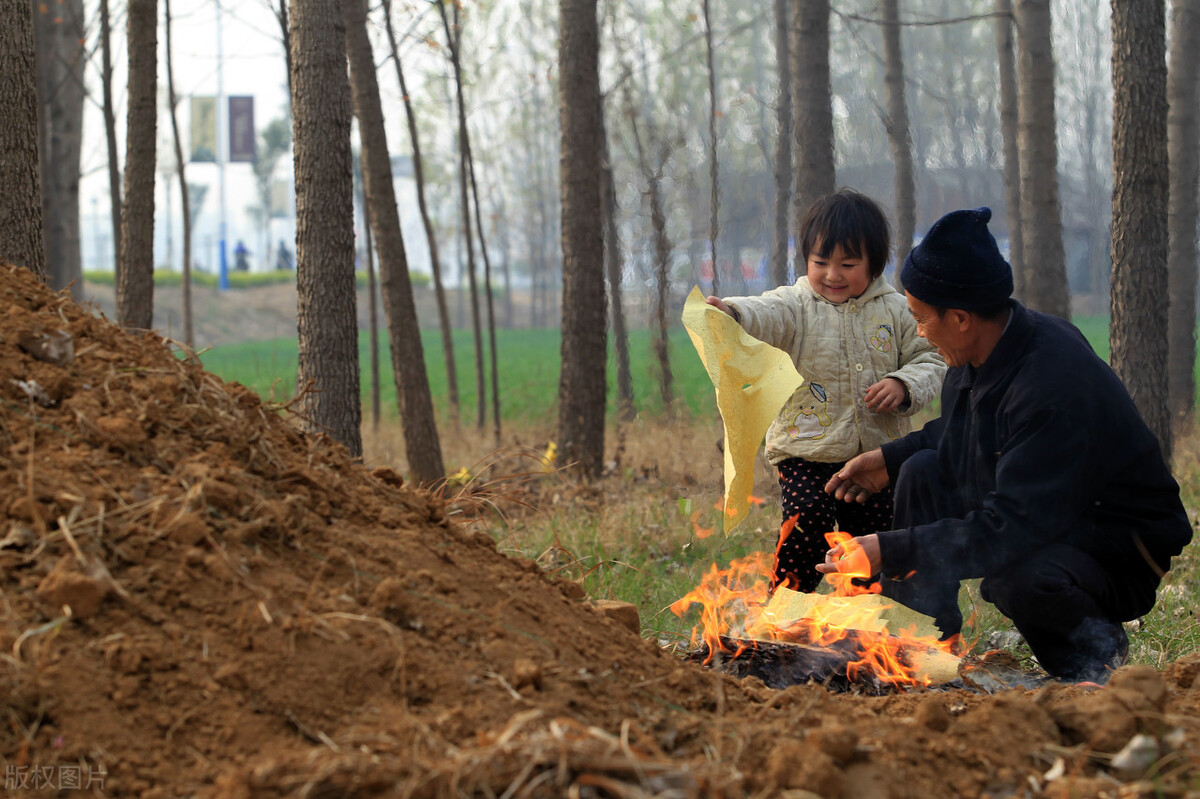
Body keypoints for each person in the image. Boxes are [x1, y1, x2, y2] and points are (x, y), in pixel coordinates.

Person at [818, 206, 1193, 683]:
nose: (919, 333)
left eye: (921, 319)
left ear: (960, 318)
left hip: (1115, 547)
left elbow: (1010, 528)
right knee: (921, 471)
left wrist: (887, 548)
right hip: (1049, 513)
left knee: (1017, 576)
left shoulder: (1050, 387)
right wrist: (890, 459)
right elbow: (963, 436)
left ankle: (1091, 658)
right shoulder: (978, 353)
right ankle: (921, 643)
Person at [706, 188, 946, 592]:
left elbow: (932, 359)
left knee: (868, 542)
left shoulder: (896, 309)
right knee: (807, 519)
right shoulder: (797, 304)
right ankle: (786, 608)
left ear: (874, 264)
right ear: (807, 261)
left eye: (848, 264)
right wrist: (733, 313)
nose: (832, 275)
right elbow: (766, 311)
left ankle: (863, 623)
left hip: (873, 459)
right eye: (821, 262)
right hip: (806, 451)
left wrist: (903, 385)